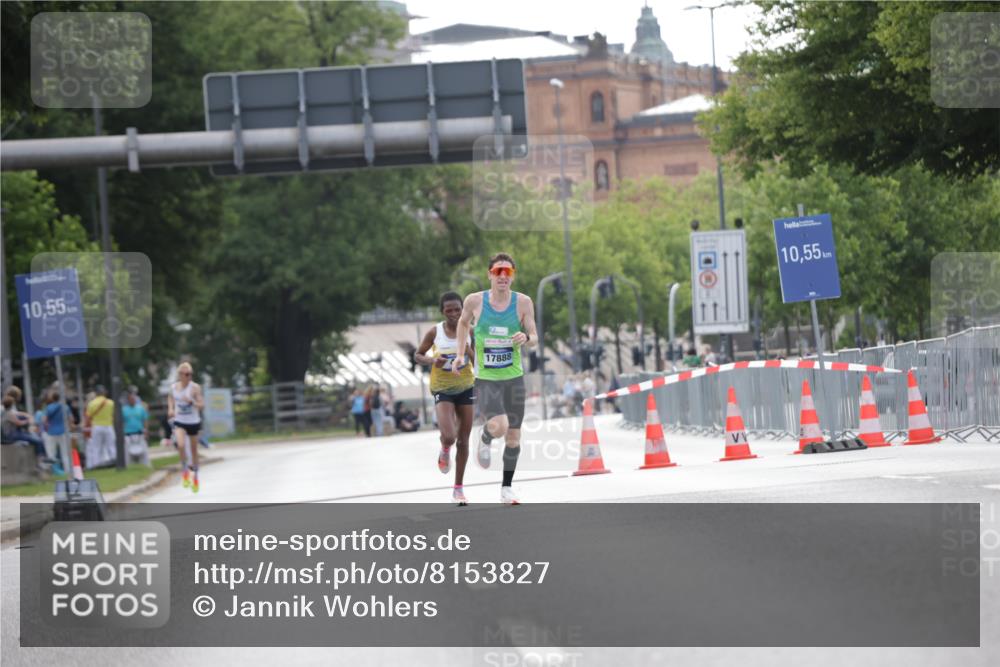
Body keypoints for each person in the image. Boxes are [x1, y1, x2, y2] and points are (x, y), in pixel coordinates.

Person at [453, 252, 537, 505]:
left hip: (514, 378)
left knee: (513, 436)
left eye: (507, 272)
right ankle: (486, 437)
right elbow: (462, 324)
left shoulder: (523, 303)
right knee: (499, 426)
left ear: (512, 276)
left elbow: (534, 335)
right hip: (487, 378)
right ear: (490, 274)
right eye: (498, 272)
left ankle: (506, 488)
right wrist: (459, 355)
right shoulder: (475, 301)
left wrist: (526, 338)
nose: (502, 276)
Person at [415, 291, 476, 505]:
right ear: (442, 311)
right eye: (448, 310)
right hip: (442, 388)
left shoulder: (470, 330)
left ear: (463, 310)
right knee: (450, 436)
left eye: (457, 309)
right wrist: (432, 360)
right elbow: (418, 355)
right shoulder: (435, 332)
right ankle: (444, 449)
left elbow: (480, 361)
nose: (453, 314)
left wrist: (468, 350)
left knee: (464, 440)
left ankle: (458, 489)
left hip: (466, 386)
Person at [168, 362, 204, 492]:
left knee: (194, 451)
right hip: (180, 421)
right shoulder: (174, 387)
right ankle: (185, 470)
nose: (189, 377)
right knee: (181, 445)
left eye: (190, 374)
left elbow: (201, 405)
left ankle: (195, 476)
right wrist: (171, 409)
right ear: (180, 375)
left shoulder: (195, 388)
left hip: (193, 422)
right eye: (187, 374)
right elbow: (171, 399)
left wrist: (192, 402)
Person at [2, 387, 48, 470]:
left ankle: (42, 459)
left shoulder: (8, 408)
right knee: (38, 441)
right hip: (11, 434)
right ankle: (40, 462)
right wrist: (28, 420)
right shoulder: (7, 412)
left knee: (38, 439)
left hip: (13, 432)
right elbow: (18, 422)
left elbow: (16, 414)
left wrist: (27, 416)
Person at [84, 384, 116, 470]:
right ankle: (114, 461)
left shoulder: (91, 403)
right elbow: (114, 415)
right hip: (108, 426)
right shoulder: (110, 402)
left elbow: (88, 417)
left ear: (96, 393)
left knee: (96, 447)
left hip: (97, 426)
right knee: (111, 446)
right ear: (104, 392)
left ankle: (96, 465)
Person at [42, 389, 73, 476]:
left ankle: (53, 471)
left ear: (52, 398)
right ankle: (68, 470)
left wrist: (47, 427)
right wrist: (69, 427)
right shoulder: (65, 407)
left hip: (51, 432)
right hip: (63, 431)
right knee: (65, 452)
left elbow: (44, 420)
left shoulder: (49, 407)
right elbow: (71, 419)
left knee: (52, 453)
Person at [122, 389, 151, 467]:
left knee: (144, 451)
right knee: (127, 452)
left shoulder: (140, 408)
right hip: (128, 433)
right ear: (128, 400)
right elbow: (122, 422)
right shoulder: (124, 409)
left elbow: (145, 419)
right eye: (131, 399)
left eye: (134, 399)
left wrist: (146, 430)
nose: (133, 400)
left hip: (139, 432)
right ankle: (127, 466)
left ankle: (146, 465)